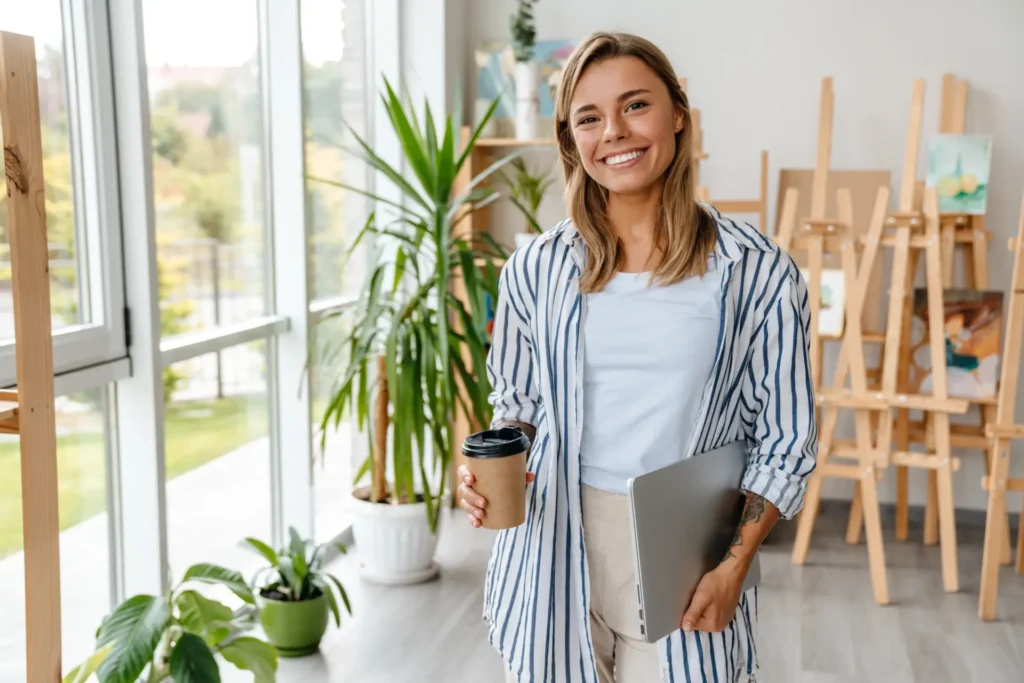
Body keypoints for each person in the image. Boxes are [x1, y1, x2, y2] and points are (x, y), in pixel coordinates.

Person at [457, 31, 817, 683]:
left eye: (635, 105)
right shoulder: (535, 268)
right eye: (588, 118)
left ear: (678, 113)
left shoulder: (757, 272)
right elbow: (520, 407)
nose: (614, 132)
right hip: (554, 544)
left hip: (685, 554)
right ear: (571, 140)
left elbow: (786, 441)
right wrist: (491, 471)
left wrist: (733, 566)